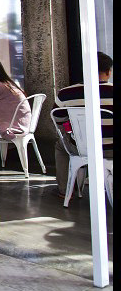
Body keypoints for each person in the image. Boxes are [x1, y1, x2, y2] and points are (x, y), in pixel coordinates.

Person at [53, 52, 113, 195]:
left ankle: (64, 191)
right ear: (108, 72)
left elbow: (58, 120)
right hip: (112, 148)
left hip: (82, 148)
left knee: (60, 146)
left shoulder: (65, 93)